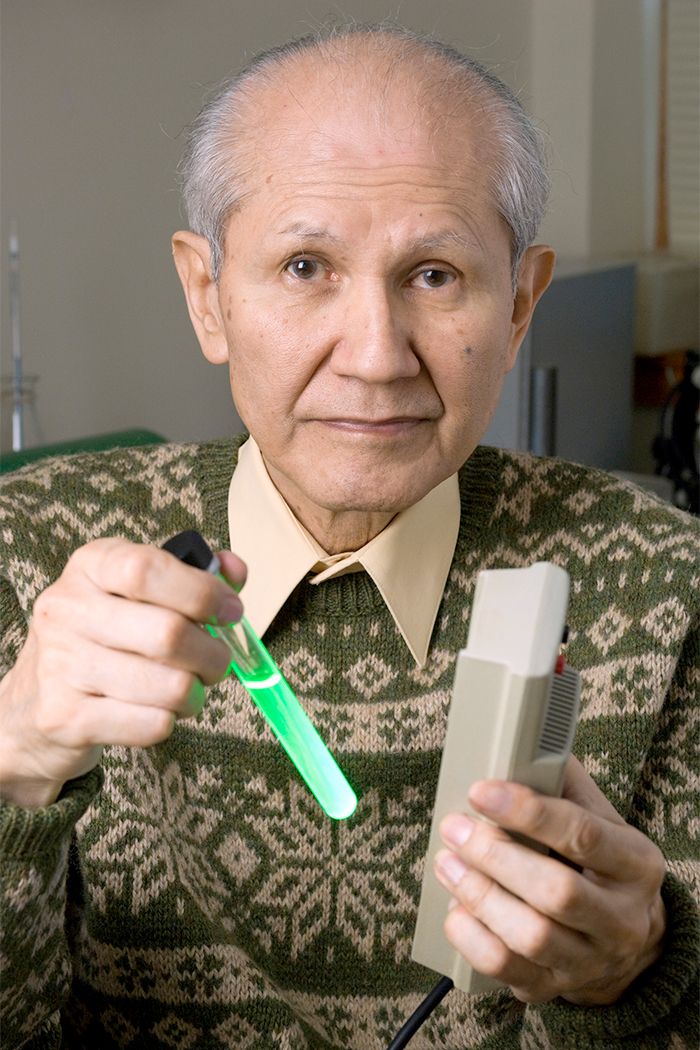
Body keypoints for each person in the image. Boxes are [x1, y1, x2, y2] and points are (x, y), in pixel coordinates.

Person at [0, 23, 698, 1050]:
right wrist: (11, 774)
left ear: (517, 306)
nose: (374, 358)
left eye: (432, 275)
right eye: (304, 266)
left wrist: (641, 973)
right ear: (209, 296)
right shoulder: (28, 548)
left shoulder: (667, 585)